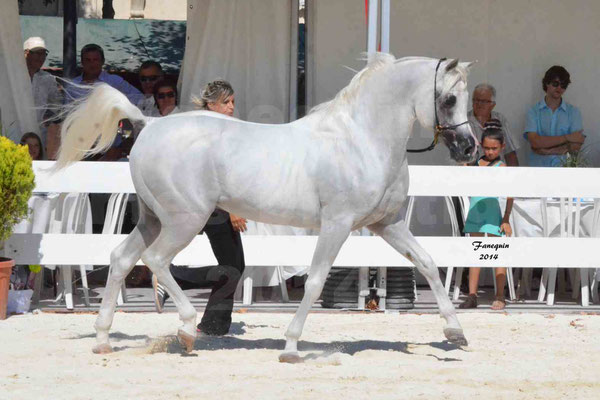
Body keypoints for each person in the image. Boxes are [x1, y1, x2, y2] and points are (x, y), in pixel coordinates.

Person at [153, 79, 246, 336]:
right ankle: (173, 276)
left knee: (234, 267)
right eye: (226, 102)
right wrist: (233, 209)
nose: (231, 107)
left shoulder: (211, 127)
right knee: (233, 267)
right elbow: (215, 174)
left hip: (210, 203)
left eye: (233, 102)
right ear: (212, 104)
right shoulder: (211, 130)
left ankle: (215, 324)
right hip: (213, 206)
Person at [459, 120, 513, 310]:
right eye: (487, 148)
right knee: (475, 253)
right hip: (475, 213)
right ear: (481, 146)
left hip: (493, 215)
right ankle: (472, 295)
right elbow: (463, 178)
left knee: (497, 254)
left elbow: (509, 195)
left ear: (502, 147)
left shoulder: (502, 167)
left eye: (494, 148)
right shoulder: (475, 164)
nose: (490, 152)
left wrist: (506, 219)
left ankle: (500, 295)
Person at [524, 66, 584, 167]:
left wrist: (547, 151)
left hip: (564, 170)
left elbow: (576, 145)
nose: (559, 88)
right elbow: (535, 142)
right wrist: (567, 137)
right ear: (547, 83)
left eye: (563, 85)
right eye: (555, 83)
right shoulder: (533, 112)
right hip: (538, 170)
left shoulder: (574, 112)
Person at [64, 43, 143, 104]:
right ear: (82, 62)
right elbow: (66, 112)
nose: (92, 64)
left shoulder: (115, 82)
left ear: (103, 61)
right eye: (88, 60)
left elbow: (140, 99)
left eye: (95, 60)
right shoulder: (73, 85)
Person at [23, 37, 61, 147]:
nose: (41, 57)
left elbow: (56, 105)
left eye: (44, 54)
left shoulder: (48, 78)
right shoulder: (12, 76)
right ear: (26, 53)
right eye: (38, 53)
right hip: (13, 129)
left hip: (38, 136)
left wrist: (49, 117)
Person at [468, 83, 519, 166]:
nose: (479, 104)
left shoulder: (500, 119)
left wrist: (515, 175)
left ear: (493, 105)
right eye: (476, 100)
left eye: (484, 101)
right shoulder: (464, 121)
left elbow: (510, 152)